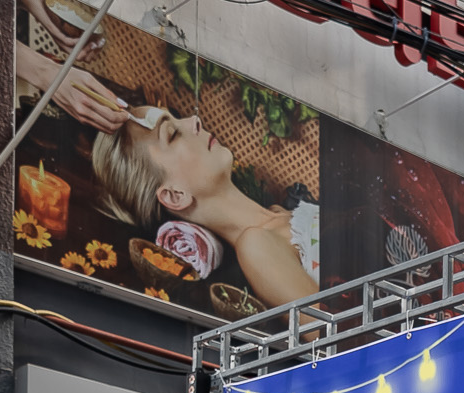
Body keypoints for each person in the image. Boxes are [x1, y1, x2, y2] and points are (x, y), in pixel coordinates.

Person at [91, 110, 317, 305]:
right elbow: (337, 341)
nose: (194, 120)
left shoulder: (282, 214)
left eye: (177, 118)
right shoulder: (256, 248)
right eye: (173, 134)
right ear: (175, 195)